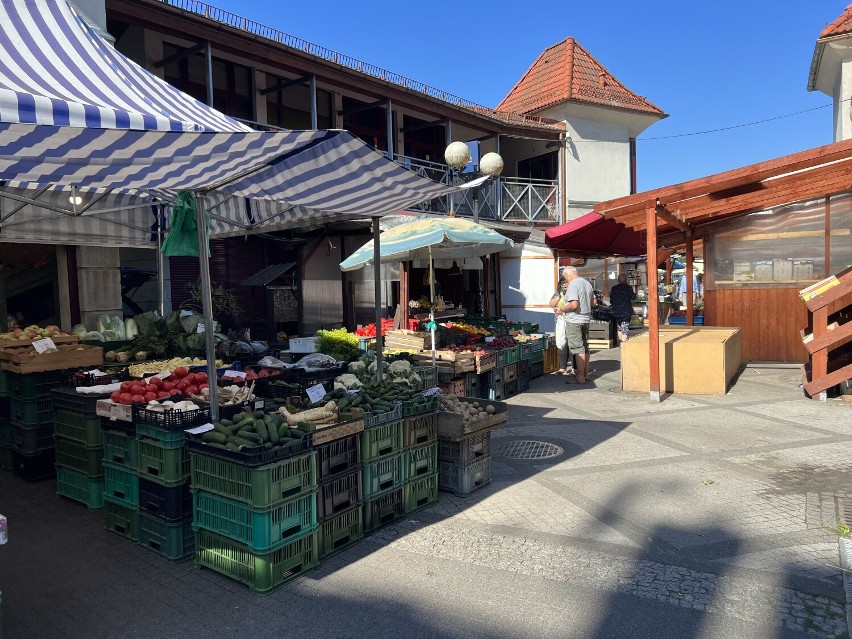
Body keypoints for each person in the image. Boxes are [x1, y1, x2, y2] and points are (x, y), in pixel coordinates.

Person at [559, 265, 594, 383]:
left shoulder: (573, 284)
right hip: (586, 318)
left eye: (565, 277)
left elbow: (574, 305)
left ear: (567, 274)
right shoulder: (587, 283)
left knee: (578, 348)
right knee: (585, 346)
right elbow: (593, 302)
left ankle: (580, 376)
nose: (566, 279)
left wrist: (562, 309)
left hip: (575, 320)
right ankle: (585, 375)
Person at [549, 277, 571, 374]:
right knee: (561, 343)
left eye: (566, 282)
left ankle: (575, 367)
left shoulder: (573, 291)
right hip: (559, 321)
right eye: (562, 282)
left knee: (571, 344)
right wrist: (559, 295)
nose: (564, 284)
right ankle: (562, 367)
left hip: (571, 321)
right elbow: (551, 304)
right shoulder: (558, 292)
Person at [609, 273, 634, 344]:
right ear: (626, 280)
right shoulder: (629, 288)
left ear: (618, 280)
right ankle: (623, 341)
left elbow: (611, 300)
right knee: (625, 326)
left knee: (619, 326)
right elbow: (633, 297)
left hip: (616, 310)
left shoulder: (614, 288)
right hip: (626, 310)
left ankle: (621, 340)